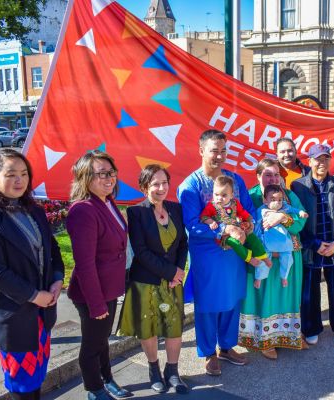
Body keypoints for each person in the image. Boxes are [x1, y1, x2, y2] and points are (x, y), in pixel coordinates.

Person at [0, 149, 64, 400]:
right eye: (11, 174)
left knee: (38, 374)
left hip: (42, 310)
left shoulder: (33, 210)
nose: (19, 180)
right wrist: (33, 295)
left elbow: (53, 248)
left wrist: (58, 279)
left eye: (24, 174)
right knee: (21, 382)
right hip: (12, 311)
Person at [177, 129, 252, 376]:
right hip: (207, 255)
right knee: (208, 304)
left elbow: (248, 210)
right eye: (213, 151)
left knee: (232, 299)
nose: (219, 156)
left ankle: (228, 347)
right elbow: (192, 225)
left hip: (234, 254)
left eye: (223, 151)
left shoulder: (235, 180)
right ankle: (208, 352)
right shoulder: (190, 185)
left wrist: (248, 225)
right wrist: (224, 228)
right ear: (201, 151)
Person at [118, 165, 188, 394]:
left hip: (173, 282)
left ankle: (173, 371)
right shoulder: (136, 212)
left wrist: (178, 270)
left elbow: (183, 244)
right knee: (148, 328)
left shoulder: (176, 209)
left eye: (164, 183)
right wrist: (170, 273)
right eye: (155, 184)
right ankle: (154, 371)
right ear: (144, 187)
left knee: (174, 326)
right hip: (146, 281)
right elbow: (140, 250)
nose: (161, 188)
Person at [66, 150, 130, 400]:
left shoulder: (106, 201)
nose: (109, 178)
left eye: (111, 172)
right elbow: (84, 264)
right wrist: (96, 304)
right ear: (84, 177)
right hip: (93, 293)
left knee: (102, 340)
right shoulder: (83, 210)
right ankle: (94, 388)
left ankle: (107, 379)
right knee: (93, 345)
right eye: (101, 173)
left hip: (109, 289)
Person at [238, 158, 307, 360]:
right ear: (258, 175)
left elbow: (301, 223)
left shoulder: (289, 195)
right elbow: (246, 229)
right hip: (263, 257)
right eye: (268, 174)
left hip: (288, 254)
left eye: (276, 174)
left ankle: (289, 334)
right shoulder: (250, 196)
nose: (273, 178)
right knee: (264, 297)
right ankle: (264, 340)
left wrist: (284, 218)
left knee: (286, 295)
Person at [291, 144, 334, 345]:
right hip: (312, 249)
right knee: (310, 292)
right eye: (317, 159)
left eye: (326, 158)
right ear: (309, 161)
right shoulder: (298, 186)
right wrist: (314, 243)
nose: (322, 163)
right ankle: (311, 327)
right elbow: (296, 223)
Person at [200, 175, 271, 269]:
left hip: (239, 228)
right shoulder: (211, 206)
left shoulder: (235, 203)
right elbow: (203, 216)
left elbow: (242, 212)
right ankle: (249, 259)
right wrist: (210, 222)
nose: (219, 198)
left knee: (253, 237)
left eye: (224, 195)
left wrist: (249, 220)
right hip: (224, 236)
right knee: (235, 243)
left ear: (231, 194)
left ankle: (263, 256)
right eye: (216, 194)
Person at [255, 184, 308, 289]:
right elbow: (256, 226)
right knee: (263, 261)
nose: (277, 202)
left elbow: (294, 210)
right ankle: (259, 278)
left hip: (284, 242)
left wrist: (301, 212)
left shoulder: (284, 207)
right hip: (267, 242)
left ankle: (284, 276)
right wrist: (257, 238)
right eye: (273, 199)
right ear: (265, 200)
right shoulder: (262, 210)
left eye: (280, 199)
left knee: (288, 260)